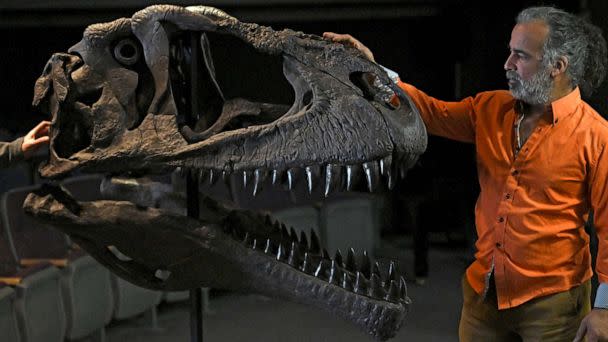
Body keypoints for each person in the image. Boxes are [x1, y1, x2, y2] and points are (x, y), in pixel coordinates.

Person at [325, 6, 608, 342]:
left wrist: (604, 309)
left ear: (556, 67)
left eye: (520, 56)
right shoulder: (490, 108)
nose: (507, 65)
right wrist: (369, 69)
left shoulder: (597, 136)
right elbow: (427, 111)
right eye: (509, 52)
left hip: (553, 306)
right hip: (483, 295)